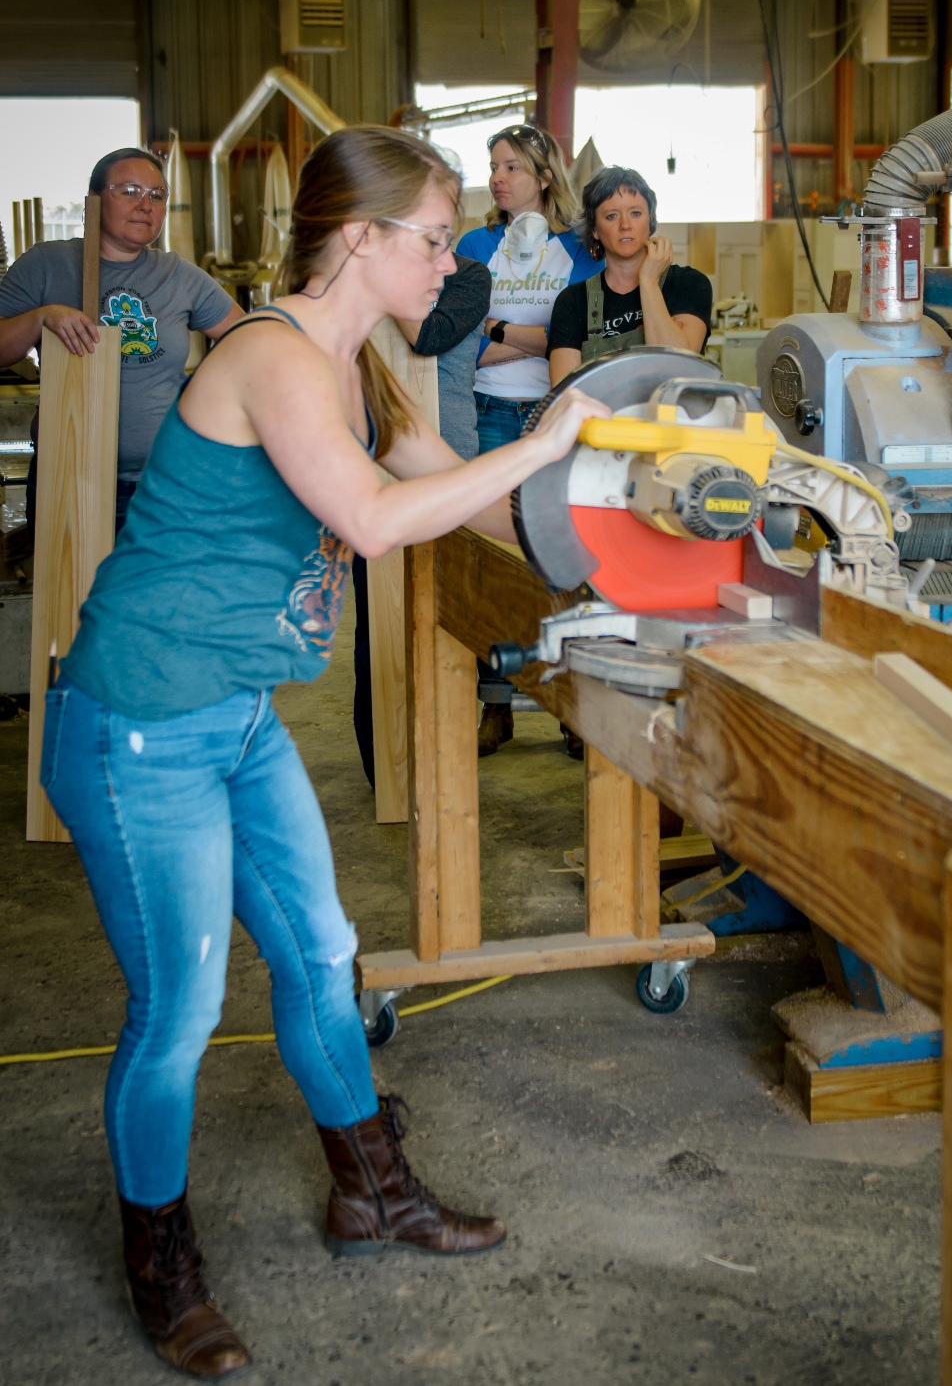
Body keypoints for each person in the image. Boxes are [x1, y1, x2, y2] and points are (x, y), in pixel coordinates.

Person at [40, 125, 607, 1381]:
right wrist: (542, 442)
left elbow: (466, 491)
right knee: (178, 1011)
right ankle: (159, 1262)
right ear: (359, 238)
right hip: (138, 720)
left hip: (234, 713)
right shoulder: (271, 355)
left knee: (321, 954)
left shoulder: (367, 372)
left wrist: (615, 499)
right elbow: (370, 519)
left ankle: (373, 1193)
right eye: (431, 238)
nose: (447, 263)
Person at [0, 147, 243, 533]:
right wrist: (39, 319)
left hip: (164, 482)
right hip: (69, 476)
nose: (145, 205)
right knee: (74, 593)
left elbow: (250, 341)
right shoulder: (47, 265)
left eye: (156, 195)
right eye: (129, 191)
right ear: (94, 200)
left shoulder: (179, 276)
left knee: (160, 592)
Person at [456, 123, 602, 754]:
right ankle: (496, 703)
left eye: (512, 166)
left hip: (554, 413)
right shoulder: (473, 243)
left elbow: (577, 337)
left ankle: (571, 704)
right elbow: (456, 335)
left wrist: (498, 330)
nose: (498, 177)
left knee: (563, 556)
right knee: (492, 559)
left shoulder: (579, 250)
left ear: (545, 177)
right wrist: (517, 338)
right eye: (493, 166)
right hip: (486, 410)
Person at [351, 249, 492, 785]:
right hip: (375, 465)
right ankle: (387, 767)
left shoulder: (470, 274)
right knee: (380, 623)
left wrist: (384, 277)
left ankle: (447, 757)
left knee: (451, 622)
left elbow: (427, 335)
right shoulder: (360, 266)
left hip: (450, 463)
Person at [547, 165, 712, 383]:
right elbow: (565, 395)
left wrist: (648, 281)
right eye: (612, 216)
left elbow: (676, 369)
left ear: (650, 221)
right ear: (595, 230)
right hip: (601, 417)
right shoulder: (573, 302)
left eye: (635, 213)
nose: (625, 225)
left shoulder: (688, 284)